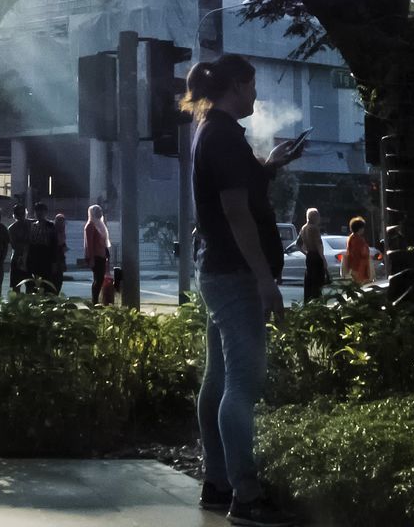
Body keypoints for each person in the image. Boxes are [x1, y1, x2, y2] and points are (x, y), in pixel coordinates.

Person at [186, 53, 305, 527]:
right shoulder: (226, 137)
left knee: (217, 380)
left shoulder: (210, 131)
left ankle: (216, 483)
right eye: (252, 86)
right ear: (236, 86)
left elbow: (234, 191)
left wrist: (269, 167)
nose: (256, 95)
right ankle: (247, 495)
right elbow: (236, 211)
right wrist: (263, 279)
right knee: (242, 383)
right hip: (236, 276)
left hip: (216, 269)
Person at [297, 207, 328, 303]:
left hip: (309, 256)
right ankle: (317, 303)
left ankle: (308, 302)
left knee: (309, 281)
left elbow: (298, 245)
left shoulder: (303, 228)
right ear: (315, 217)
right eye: (318, 216)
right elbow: (318, 244)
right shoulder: (314, 228)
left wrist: (305, 253)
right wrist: (323, 259)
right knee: (318, 282)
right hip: (316, 256)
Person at [84, 204, 111, 304]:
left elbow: (104, 241)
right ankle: (94, 301)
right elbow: (89, 244)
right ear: (93, 213)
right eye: (97, 211)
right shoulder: (90, 225)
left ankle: (96, 300)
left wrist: (107, 253)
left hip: (102, 255)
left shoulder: (100, 224)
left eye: (100, 211)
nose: (100, 213)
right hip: (95, 256)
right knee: (98, 278)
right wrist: (91, 259)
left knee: (100, 278)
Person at [27, 204, 58, 290]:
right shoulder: (32, 225)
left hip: (46, 257)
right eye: (37, 211)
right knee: (35, 283)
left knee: (46, 283)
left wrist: (54, 262)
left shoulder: (51, 225)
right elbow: (30, 244)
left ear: (45, 212)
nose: (39, 213)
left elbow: (54, 244)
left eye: (41, 211)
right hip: (34, 258)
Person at [342, 216, 374, 285]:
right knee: (361, 286)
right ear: (359, 228)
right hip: (359, 267)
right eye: (362, 228)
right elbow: (363, 253)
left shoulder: (351, 237)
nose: (363, 229)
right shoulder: (358, 240)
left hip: (354, 266)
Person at [8, 203, 32, 292]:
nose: (21, 216)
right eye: (19, 214)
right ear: (15, 215)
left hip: (29, 259)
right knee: (16, 285)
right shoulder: (12, 228)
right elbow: (14, 245)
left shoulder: (32, 224)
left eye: (22, 213)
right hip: (18, 259)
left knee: (31, 286)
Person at [52, 211, 68, 291]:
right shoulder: (53, 231)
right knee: (55, 279)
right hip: (54, 257)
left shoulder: (62, 231)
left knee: (59, 279)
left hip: (60, 257)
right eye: (59, 221)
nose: (61, 223)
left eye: (62, 221)